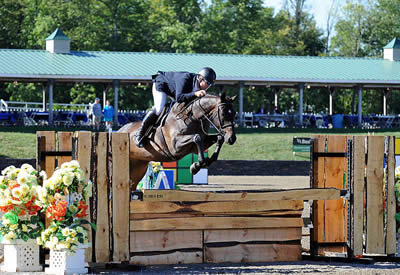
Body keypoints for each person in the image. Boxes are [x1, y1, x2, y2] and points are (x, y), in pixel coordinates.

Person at [133, 67, 216, 148]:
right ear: (200, 78)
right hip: (161, 84)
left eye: (210, 85)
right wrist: (195, 94)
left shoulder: (198, 86)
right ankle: (139, 134)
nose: (208, 86)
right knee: (159, 109)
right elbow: (179, 98)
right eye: (207, 83)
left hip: (174, 91)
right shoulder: (185, 79)